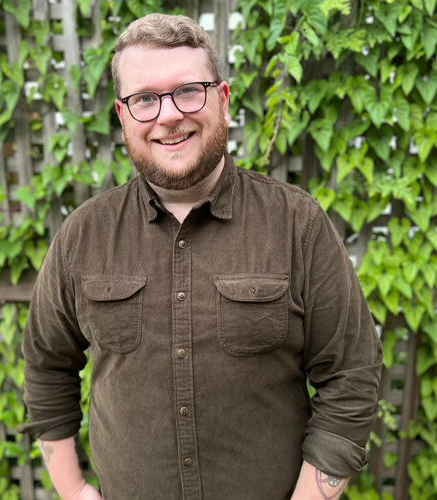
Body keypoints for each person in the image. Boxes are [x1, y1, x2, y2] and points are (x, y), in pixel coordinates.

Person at [20, 13, 382, 500]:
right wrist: (75, 491)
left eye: (189, 90)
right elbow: (46, 365)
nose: (169, 115)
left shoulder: (298, 224)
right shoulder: (82, 236)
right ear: (123, 115)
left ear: (223, 100)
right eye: (144, 98)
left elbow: (351, 376)